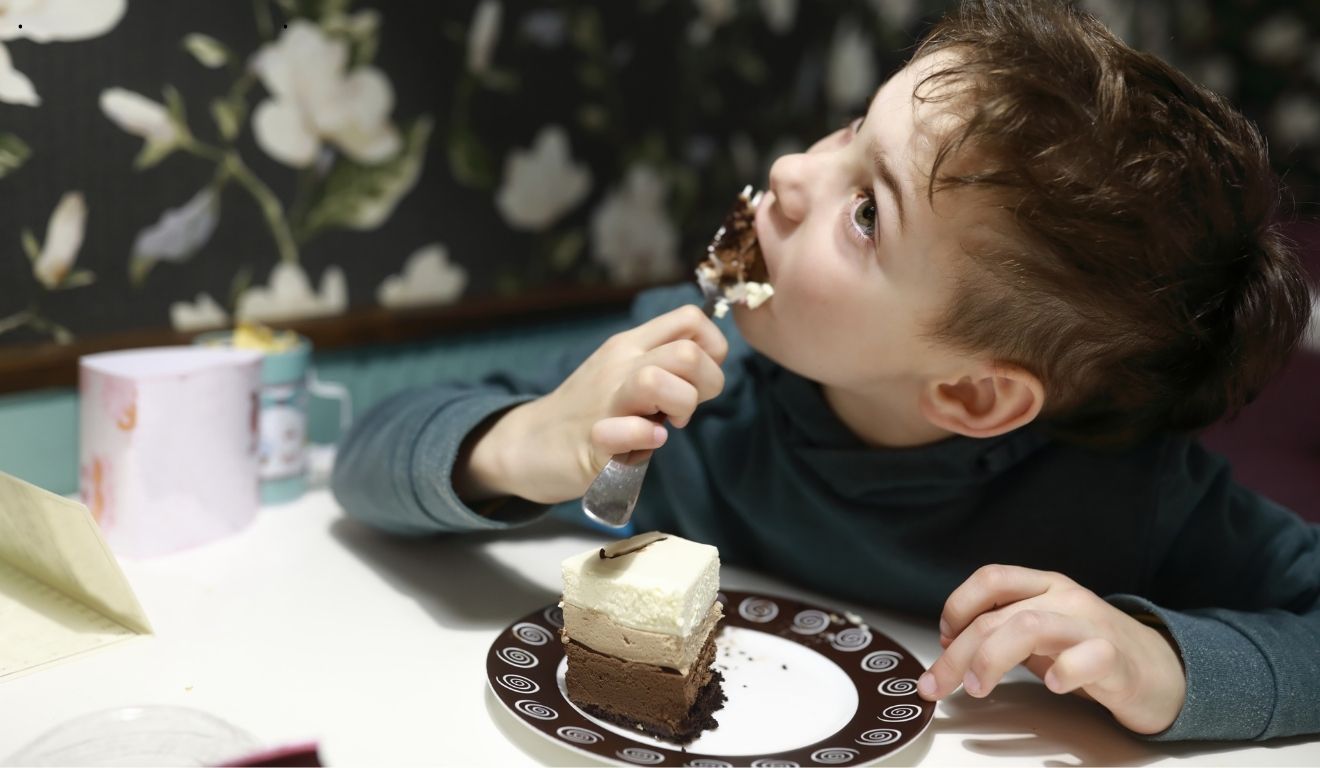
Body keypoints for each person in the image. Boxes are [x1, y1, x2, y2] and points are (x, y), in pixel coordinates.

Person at [331, 0, 1318, 743]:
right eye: (852, 131)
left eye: (867, 213)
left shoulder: (1131, 500)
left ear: (975, 392)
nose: (795, 172)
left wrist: (1167, 665)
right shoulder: (689, 382)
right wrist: (523, 441)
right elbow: (365, 458)